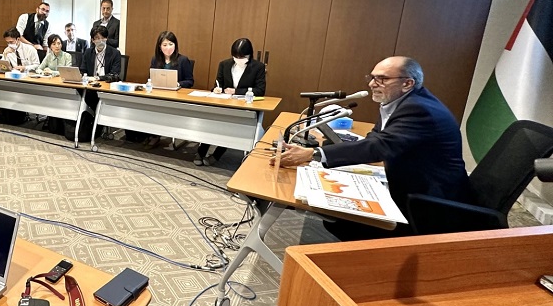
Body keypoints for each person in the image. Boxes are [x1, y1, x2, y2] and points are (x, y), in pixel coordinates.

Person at [273, 56, 472, 240]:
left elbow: (379, 146)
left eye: (382, 79)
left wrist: (313, 154)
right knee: (336, 210)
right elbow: (376, 138)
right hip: (411, 185)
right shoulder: (399, 101)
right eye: (372, 77)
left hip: (428, 202)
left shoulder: (419, 110)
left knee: (342, 220)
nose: (372, 84)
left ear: (407, 83)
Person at [196, 38, 266, 166]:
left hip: (244, 107)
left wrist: (237, 91)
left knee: (230, 128)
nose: (238, 59)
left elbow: (260, 90)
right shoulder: (224, 64)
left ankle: (217, 155)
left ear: (249, 55)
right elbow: (218, 84)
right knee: (211, 122)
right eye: (236, 56)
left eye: (242, 57)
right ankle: (201, 152)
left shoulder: (258, 67)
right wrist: (216, 89)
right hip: (224, 104)